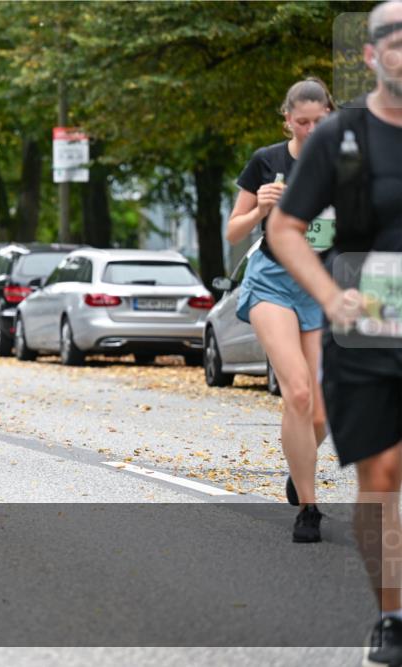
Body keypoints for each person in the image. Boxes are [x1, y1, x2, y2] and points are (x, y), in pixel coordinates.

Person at [268, 3, 402, 664]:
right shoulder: (341, 138)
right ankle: (394, 614)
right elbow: (284, 230)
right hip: (369, 327)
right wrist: (328, 295)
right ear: (372, 55)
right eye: (396, 40)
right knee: (382, 469)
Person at [226, 78, 334, 542]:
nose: (311, 130)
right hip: (272, 283)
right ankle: (308, 508)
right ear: (287, 119)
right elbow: (233, 233)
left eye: (320, 121)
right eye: (302, 121)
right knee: (297, 392)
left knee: (325, 408)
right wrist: (258, 212)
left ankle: (300, 462)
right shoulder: (266, 162)